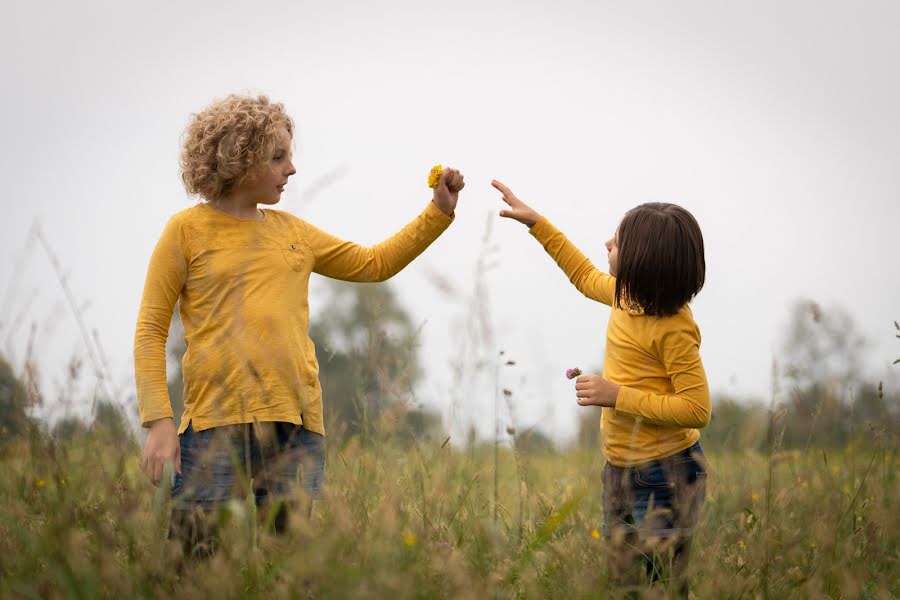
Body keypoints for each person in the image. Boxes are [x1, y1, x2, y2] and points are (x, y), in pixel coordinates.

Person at [134, 93, 464, 560]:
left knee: (288, 569)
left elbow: (373, 263)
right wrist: (159, 422)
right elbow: (150, 328)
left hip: (296, 424)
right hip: (212, 425)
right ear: (239, 159)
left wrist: (438, 212)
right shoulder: (185, 232)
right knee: (197, 565)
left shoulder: (295, 233)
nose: (292, 168)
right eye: (278, 157)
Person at [492, 180, 710, 598]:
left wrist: (617, 396)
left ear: (644, 261)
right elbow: (581, 273)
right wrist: (537, 223)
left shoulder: (675, 329)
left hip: (667, 474)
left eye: (619, 240)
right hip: (619, 470)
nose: (607, 241)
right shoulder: (623, 297)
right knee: (624, 582)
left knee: (660, 585)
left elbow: (697, 409)